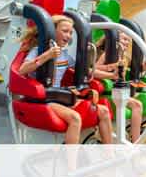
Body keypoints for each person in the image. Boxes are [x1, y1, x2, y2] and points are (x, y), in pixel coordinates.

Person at [18, 15, 113, 144]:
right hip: (43, 99)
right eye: (64, 31)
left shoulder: (64, 55)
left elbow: (88, 71)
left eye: (70, 33)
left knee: (104, 111)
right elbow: (22, 70)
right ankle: (70, 164)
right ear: (52, 31)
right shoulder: (38, 50)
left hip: (59, 97)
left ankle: (110, 154)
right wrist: (47, 56)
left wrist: (110, 74)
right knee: (75, 118)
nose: (68, 36)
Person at [96, 32, 146, 143]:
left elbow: (131, 69)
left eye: (128, 40)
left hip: (123, 90)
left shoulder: (123, 57)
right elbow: (95, 68)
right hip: (111, 92)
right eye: (124, 39)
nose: (127, 42)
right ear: (114, 40)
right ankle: (136, 142)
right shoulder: (108, 54)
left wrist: (144, 67)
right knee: (137, 105)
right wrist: (111, 67)